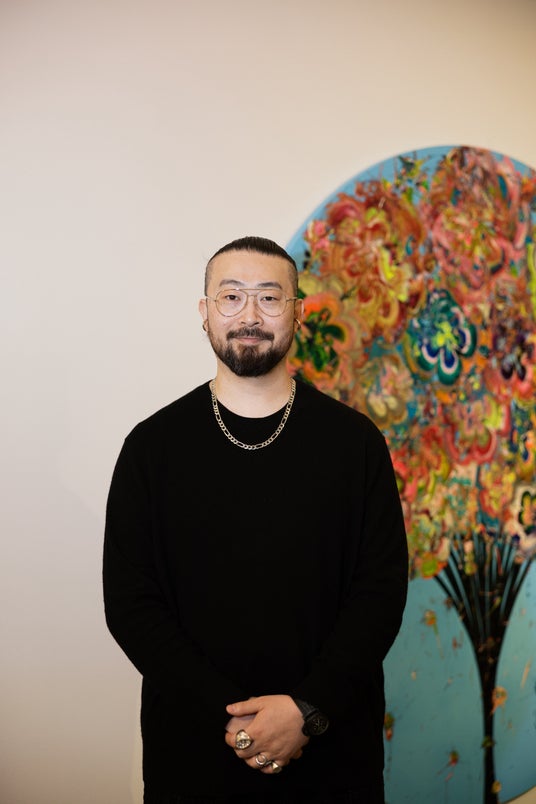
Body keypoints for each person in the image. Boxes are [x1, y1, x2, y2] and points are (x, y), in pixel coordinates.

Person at [103, 235, 409, 804]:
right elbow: (130, 603)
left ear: (297, 312)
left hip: (333, 751)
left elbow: (380, 593)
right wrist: (234, 720)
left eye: (269, 298)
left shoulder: (356, 444)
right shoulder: (151, 448)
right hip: (192, 754)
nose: (250, 316)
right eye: (231, 297)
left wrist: (306, 711)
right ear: (205, 312)